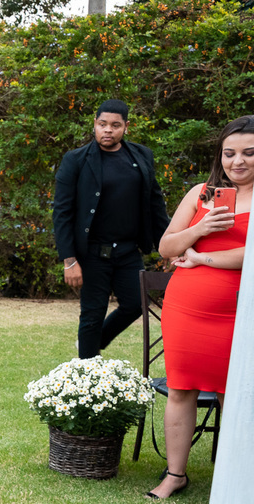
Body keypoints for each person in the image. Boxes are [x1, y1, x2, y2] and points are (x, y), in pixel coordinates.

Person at [145, 116, 253, 500]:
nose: (237, 161)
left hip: (239, 313)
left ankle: (237, 480)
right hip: (185, 309)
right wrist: (201, 230)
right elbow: (166, 247)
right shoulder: (201, 194)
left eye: (249, 153)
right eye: (229, 153)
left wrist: (202, 258)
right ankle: (175, 475)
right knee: (180, 389)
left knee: (234, 394)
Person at [53, 99, 171, 359]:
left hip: (128, 251)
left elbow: (155, 204)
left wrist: (169, 246)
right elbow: (62, 212)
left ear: (126, 127)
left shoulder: (142, 156)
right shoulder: (75, 160)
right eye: (102, 124)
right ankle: (86, 371)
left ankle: (92, 343)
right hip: (92, 253)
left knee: (136, 304)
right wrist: (69, 260)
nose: (108, 130)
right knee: (92, 315)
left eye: (115, 125)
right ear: (94, 124)